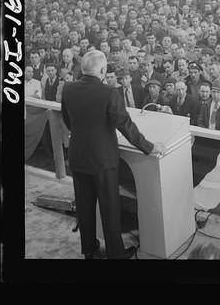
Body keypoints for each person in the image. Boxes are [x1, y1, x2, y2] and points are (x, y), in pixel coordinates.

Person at [61, 50, 165, 259]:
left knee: (84, 207)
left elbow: (67, 120)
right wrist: (149, 146)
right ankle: (115, 254)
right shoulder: (109, 92)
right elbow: (125, 125)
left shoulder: (68, 88)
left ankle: (89, 250)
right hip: (103, 160)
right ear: (102, 70)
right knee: (109, 208)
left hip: (78, 156)